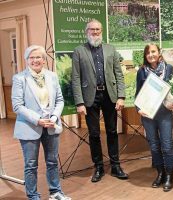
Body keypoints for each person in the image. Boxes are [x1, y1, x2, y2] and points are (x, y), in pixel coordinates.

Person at [71, 19, 128, 183]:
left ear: (101, 31)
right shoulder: (79, 51)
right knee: (94, 134)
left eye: (98, 29)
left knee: (112, 131)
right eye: (92, 30)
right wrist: (79, 102)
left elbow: (119, 74)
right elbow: (75, 78)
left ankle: (116, 166)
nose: (95, 32)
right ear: (86, 31)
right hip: (90, 98)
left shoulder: (111, 49)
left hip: (109, 96)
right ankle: (98, 167)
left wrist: (121, 96)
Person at [11, 45, 71, 200]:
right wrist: (38, 120)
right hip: (29, 127)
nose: (35, 60)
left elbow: (59, 100)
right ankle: (33, 196)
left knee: (52, 162)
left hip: (51, 126)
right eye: (32, 57)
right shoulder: (19, 78)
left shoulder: (52, 76)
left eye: (38, 57)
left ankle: (55, 192)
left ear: (44, 60)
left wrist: (53, 118)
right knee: (31, 165)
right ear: (27, 60)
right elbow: (17, 106)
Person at [135, 43, 173, 192]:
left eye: (153, 51)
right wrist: (138, 109)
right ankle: (160, 173)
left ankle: (169, 176)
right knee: (154, 145)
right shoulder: (141, 71)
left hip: (165, 114)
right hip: (148, 114)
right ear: (145, 56)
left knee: (167, 145)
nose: (151, 55)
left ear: (159, 53)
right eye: (148, 53)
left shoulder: (169, 69)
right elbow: (137, 94)